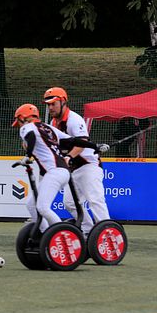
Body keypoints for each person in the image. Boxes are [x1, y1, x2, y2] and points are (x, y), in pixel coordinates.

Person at [44, 86, 110, 237]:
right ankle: (88, 230)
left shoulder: (74, 119)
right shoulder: (54, 123)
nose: (50, 107)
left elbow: (81, 143)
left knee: (95, 200)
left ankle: (107, 234)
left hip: (89, 166)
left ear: (63, 102)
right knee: (70, 203)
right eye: (48, 104)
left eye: (53, 104)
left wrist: (68, 157)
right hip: (73, 169)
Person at [12, 104, 71, 233]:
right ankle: (45, 234)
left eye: (19, 123)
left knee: (43, 207)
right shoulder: (46, 128)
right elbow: (71, 140)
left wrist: (27, 156)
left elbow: (31, 137)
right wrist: (93, 146)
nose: (20, 127)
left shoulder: (28, 128)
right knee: (31, 205)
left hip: (55, 172)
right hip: (57, 172)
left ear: (23, 118)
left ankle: (62, 235)